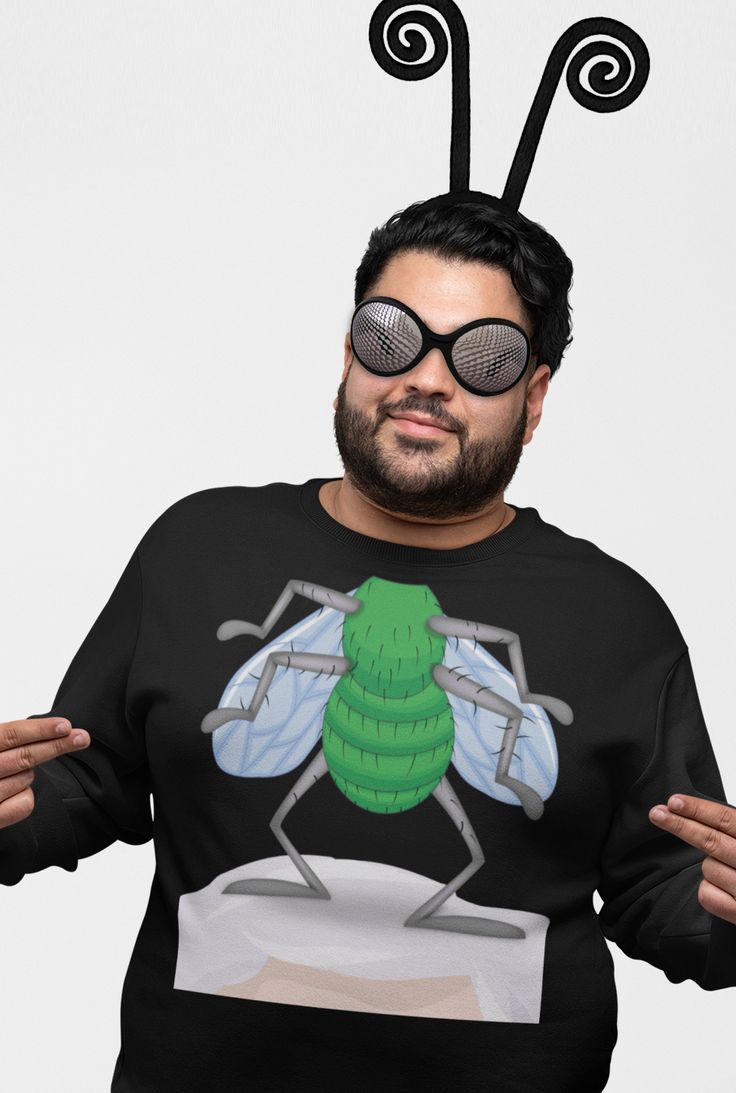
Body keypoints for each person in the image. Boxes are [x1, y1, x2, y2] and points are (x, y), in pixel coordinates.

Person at [1, 196, 735, 1092]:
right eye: (393, 336)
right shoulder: (200, 545)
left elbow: (670, 886)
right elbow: (83, 774)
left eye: (484, 357)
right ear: (349, 353)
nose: (428, 378)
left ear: (533, 397)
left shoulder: (616, 615)